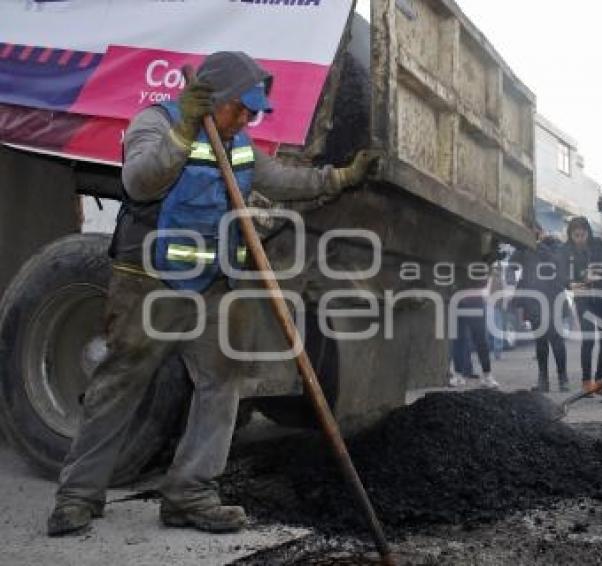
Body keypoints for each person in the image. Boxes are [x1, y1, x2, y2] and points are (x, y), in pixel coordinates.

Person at [47, 51, 379, 536]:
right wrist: (183, 131)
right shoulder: (155, 123)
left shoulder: (238, 143)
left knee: (223, 382)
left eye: (252, 112)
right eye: (240, 109)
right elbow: (138, 183)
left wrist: (339, 178)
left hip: (211, 284)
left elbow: (282, 180)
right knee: (120, 383)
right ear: (215, 99)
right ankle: (77, 495)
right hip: (148, 282)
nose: (247, 118)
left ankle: (190, 493)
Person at [563, 216, 602, 397]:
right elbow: (561, 274)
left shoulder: (598, 246)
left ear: (588, 233)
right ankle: (587, 382)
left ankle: (601, 380)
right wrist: (572, 282)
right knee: (588, 338)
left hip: (601, 295)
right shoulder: (566, 250)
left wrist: (597, 275)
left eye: (582, 234)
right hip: (583, 297)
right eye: (575, 235)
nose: (579, 238)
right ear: (570, 235)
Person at [513, 226, 569, 392]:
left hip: (553, 301)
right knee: (540, 342)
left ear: (542, 232)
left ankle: (562, 378)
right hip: (534, 301)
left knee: (557, 340)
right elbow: (513, 264)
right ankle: (543, 380)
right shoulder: (525, 249)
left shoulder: (556, 246)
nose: (534, 234)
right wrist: (521, 245)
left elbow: (555, 262)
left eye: (536, 231)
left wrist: (538, 245)